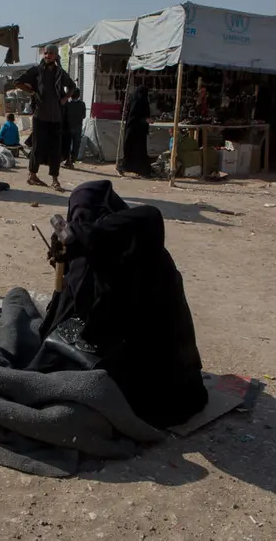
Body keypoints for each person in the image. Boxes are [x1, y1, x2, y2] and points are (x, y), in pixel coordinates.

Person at [40, 180, 208, 428]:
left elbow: (150, 215)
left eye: (84, 217)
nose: (80, 222)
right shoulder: (115, 249)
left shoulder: (139, 249)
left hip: (152, 394)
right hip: (180, 387)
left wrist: (85, 239)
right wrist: (66, 261)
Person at [15, 44, 76, 192]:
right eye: (46, 53)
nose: (47, 56)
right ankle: (32, 175)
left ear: (55, 56)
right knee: (37, 147)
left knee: (55, 149)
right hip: (40, 116)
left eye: (51, 54)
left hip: (56, 117)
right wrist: (32, 92)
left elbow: (73, 87)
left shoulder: (60, 73)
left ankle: (55, 179)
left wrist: (64, 99)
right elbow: (17, 82)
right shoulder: (36, 70)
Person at [118, 85, 153, 177]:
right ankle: (129, 168)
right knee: (135, 152)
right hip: (134, 132)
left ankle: (141, 170)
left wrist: (146, 119)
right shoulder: (138, 102)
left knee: (138, 152)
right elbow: (133, 118)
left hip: (138, 132)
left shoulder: (139, 101)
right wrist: (144, 120)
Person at [62, 88, 86, 169]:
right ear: (79, 95)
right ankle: (72, 161)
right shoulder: (82, 104)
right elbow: (84, 116)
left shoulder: (67, 104)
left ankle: (67, 160)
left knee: (67, 145)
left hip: (68, 127)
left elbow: (64, 116)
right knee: (76, 145)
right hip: (78, 127)